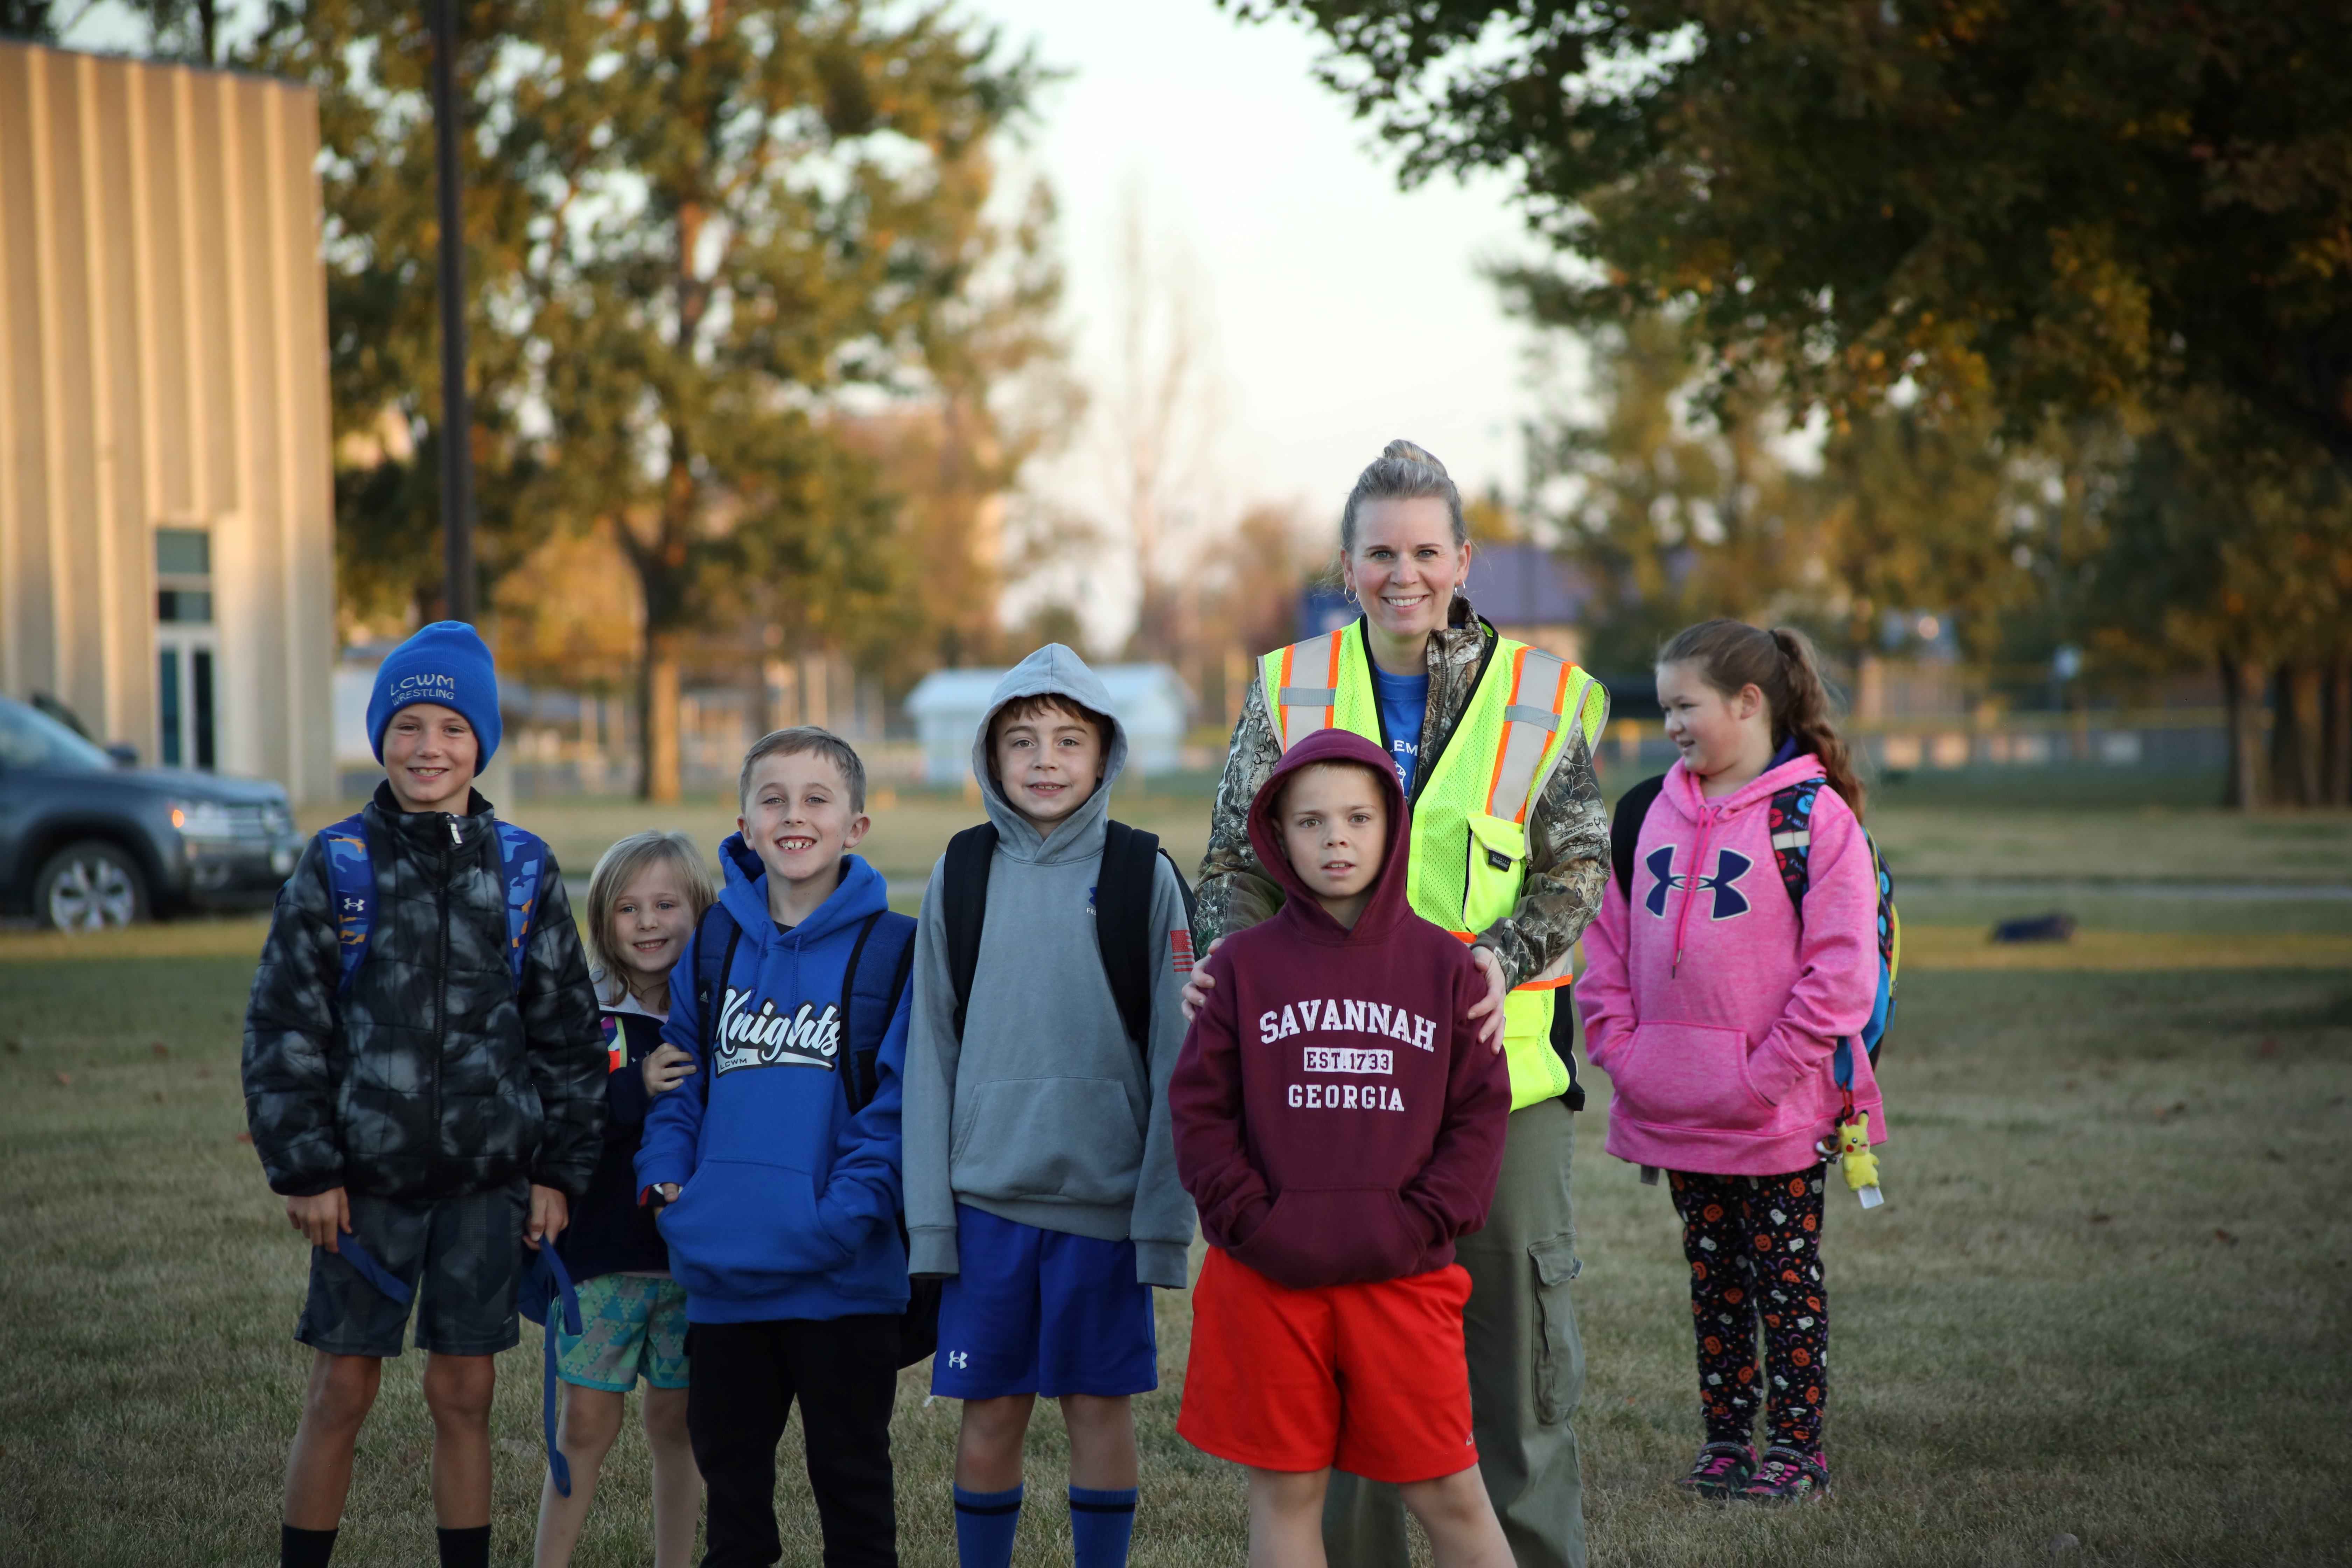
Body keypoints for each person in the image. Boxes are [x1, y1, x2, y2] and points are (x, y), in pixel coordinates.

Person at [1187, 441, 1612, 1568]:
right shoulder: (1288, 687)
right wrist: (1235, 976)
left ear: (1464, 558)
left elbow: (1579, 867)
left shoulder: (1540, 697)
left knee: (1512, 1376)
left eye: (1427, 551)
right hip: (1327, 1090)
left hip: (1499, 1083)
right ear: (1346, 563)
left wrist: (1497, 960)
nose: (1404, 574)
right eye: (1382, 552)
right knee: (1345, 1376)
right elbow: (1232, 860)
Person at [243, 621, 608, 1568]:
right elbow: (285, 1028)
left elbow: (568, 1036)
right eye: (408, 725)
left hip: (487, 1190)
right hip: (361, 1191)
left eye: (451, 726)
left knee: (465, 1395)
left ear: (481, 742)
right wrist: (307, 1168)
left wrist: (559, 1172)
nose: (429, 747)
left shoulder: (523, 870)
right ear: (380, 737)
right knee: (342, 1390)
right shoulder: (339, 866)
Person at [1171, 728, 1514, 1568]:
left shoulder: (1448, 967)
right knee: (1288, 1489)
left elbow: (1479, 1110)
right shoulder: (1242, 966)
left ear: (1392, 828)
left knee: (1450, 1487)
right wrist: (1249, 1218)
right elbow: (1201, 1110)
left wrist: (1424, 1218)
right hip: (1267, 1275)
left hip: (1403, 1274)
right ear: (1276, 837)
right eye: (1311, 821)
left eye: (1359, 818)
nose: (1336, 839)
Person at [1574, 618, 1884, 1504]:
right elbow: (1605, 949)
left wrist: (1761, 1077)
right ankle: (1725, 1439)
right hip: (1673, 1105)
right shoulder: (1643, 812)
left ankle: (1796, 1446)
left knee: (1785, 1282)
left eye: (1686, 705)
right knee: (1714, 1283)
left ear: (1749, 703)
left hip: (1775, 1114)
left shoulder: (1814, 819)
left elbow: (1841, 978)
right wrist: (1624, 1054)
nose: (1670, 722)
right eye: (1665, 704)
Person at [900, 645, 1196, 1568]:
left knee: (1098, 1410)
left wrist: (1161, 1222)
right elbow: (930, 1054)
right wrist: (930, 1224)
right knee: (989, 1415)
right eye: (1021, 740)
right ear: (989, 756)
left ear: (1106, 753)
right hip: (986, 1206)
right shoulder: (961, 872)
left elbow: (1183, 1059)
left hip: (1102, 1212)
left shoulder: (1146, 876)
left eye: (1070, 740)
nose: (1044, 760)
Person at [634, 728, 915, 1568]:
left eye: (817, 798)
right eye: (774, 798)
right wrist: (667, 1181)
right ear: (746, 824)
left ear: (856, 824)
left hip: (843, 1279)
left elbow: (899, 1107)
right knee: (737, 1501)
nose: (795, 815)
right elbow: (679, 1078)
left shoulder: (894, 946)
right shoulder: (716, 940)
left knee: (854, 1490)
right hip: (726, 1279)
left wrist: (841, 1219)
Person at [532, 830, 716, 1568]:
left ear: (700, 910)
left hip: (689, 1265)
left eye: (667, 904)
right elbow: (559, 1116)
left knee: (678, 1424)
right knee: (586, 1422)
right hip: (601, 1259)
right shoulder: (587, 1017)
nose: (648, 922)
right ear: (603, 921)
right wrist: (634, 1085)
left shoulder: (717, 1016)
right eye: (628, 908)